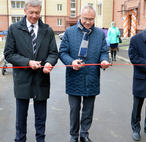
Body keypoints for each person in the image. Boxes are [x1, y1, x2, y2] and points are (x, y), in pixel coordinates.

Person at [3, 0, 58, 141]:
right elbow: (9, 54)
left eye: (37, 13)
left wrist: (49, 64)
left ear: (40, 12)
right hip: (22, 79)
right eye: (31, 12)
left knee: (41, 117)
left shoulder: (47, 30)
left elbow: (53, 53)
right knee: (21, 117)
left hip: (41, 79)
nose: (34, 15)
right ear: (25, 11)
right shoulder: (14, 29)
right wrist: (27, 62)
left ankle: (41, 140)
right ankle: (20, 139)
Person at [59, 5, 110, 142]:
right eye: (85, 19)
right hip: (74, 77)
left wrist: (104, 60)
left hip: (92, 77)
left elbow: (104, 52)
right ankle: (74, 136)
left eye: (91, 19)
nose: (88, 22)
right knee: (74, 109)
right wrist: (71, 63)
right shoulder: (69, 32)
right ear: (80, 17)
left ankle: (84, 134)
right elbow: (62, 52)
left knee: (88, 110)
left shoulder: (100, 34)